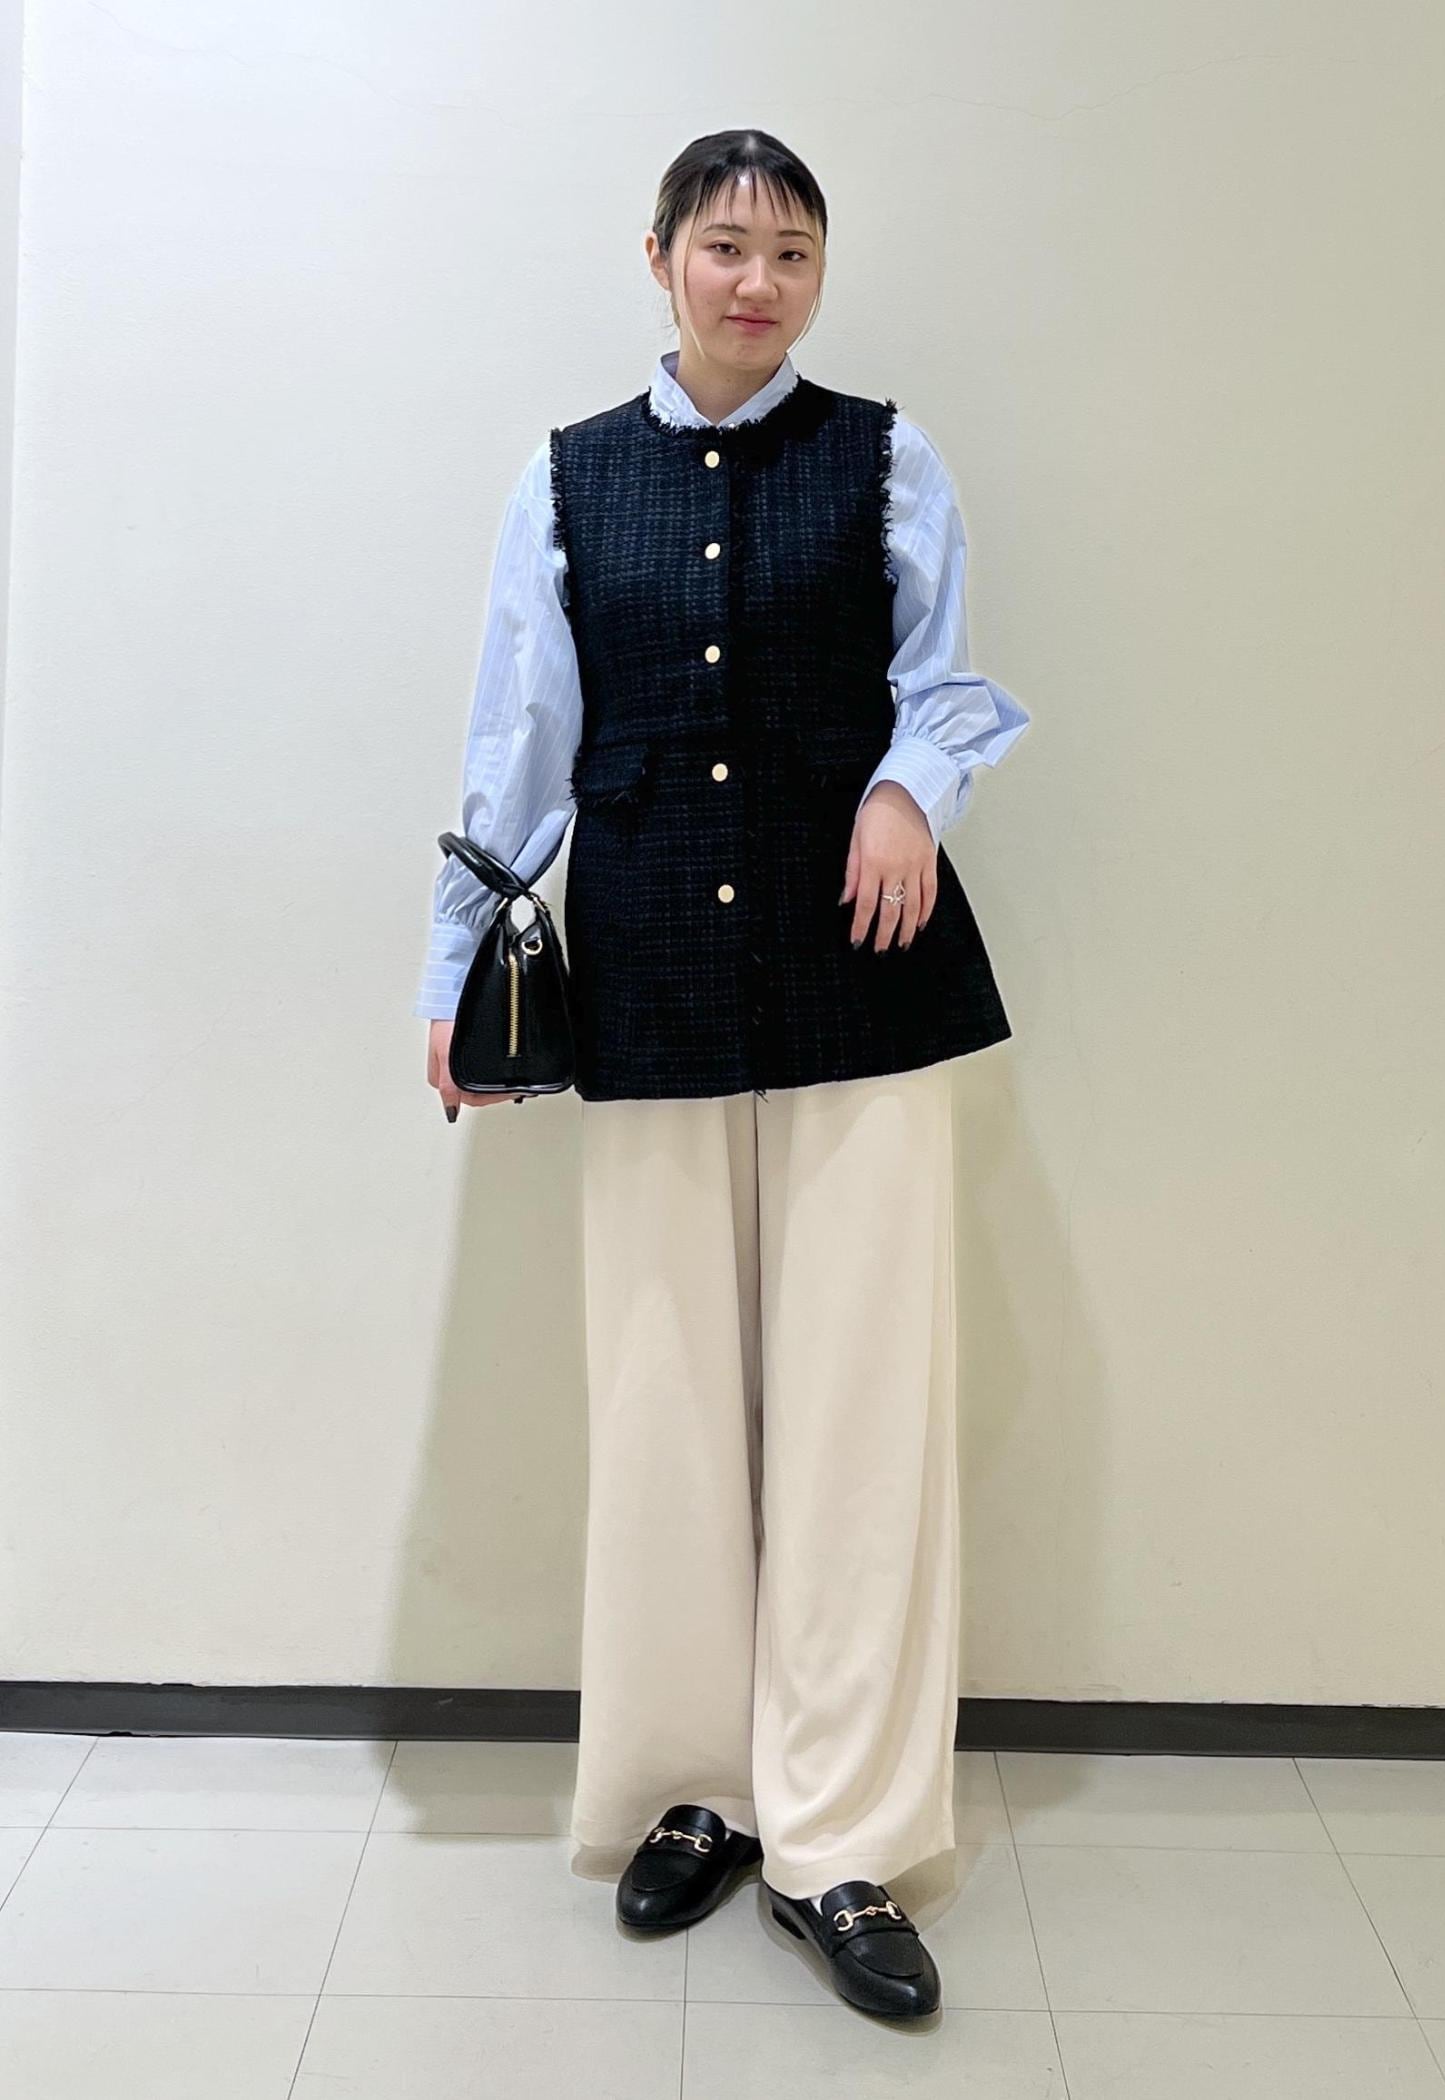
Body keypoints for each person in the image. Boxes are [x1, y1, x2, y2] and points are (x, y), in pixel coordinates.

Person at [415, 128, 1031, 2022]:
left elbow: (945, 678)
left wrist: (912, 791)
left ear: (819, 274)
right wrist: (458, 970)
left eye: (793, 250)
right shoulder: (566, 476)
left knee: (862, 1409)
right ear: (662, 258)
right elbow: (522, 732)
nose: (758, 280)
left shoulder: (889, 458)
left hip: (865, 980)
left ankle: (842, 1837)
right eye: (726, 245)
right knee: (668, 1398)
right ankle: (699, 1787)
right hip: (652, 981)